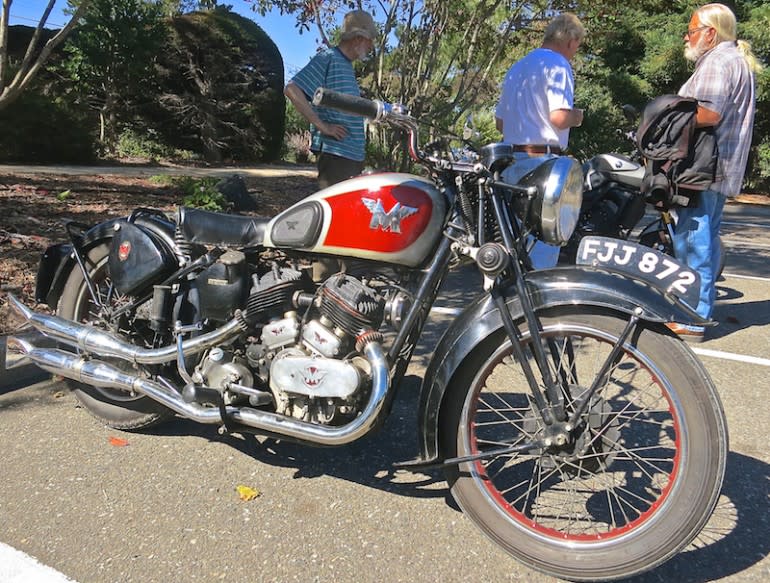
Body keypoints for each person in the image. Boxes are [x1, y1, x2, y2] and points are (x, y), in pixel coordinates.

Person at [668, 3, 761, 342]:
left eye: (692, 30)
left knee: (694, 239)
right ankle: (700, 308)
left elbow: (708, 113)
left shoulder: (718, 61)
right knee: (704, 237)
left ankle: (693, 316)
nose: (687, 36)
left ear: (710, 33)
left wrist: (667, 118)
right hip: (720, 168)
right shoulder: (736, 60)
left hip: (703, 167)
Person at [495, 13, 585, 269]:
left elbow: (500, 123)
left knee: (515, 246)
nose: (575, 52)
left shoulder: (517, 67)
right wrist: (577, 117)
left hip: (511, 162)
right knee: (542, 249)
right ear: (571, 40)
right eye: (577, 45)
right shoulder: (558, 65)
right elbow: (558, 118)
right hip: (542, 163)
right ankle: (536, 304)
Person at [284, 10, 377, 189]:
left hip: (351, 156)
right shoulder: (329, 58)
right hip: (337, 156)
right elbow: (291, 89)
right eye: (370, 40)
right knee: (336, 214)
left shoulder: (347, 65)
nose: (371, 46)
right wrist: (323, 126)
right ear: (358, 38)